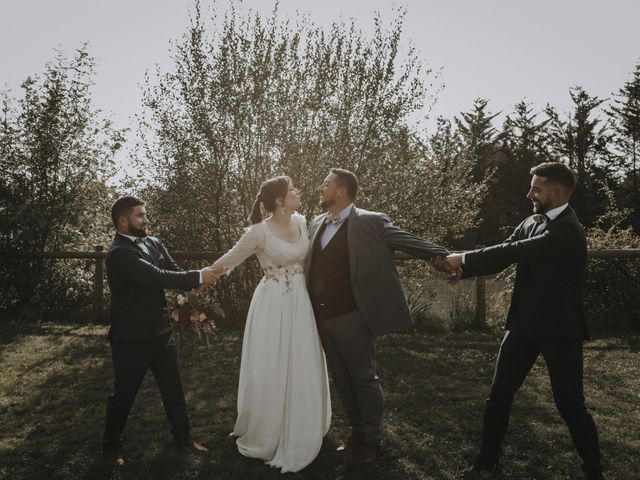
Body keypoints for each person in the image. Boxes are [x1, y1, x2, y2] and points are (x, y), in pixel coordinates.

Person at [444, 162, 604, 480]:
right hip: (523, 326)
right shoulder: (532, 220)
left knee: (569, 403)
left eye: (536, 188)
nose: (529, 192)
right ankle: (487, 460)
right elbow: (505, 248)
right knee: (499, 393)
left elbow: (516, 251)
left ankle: (594, 469)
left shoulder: (568, 230)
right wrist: (465, 269)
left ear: (557, 193)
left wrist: (461, 258)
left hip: (559, 329)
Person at [305, 168, 450, 464]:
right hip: (321, 318)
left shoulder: (371, 221)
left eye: (326, 184)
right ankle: (357, 431)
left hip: (353, 316)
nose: (321, 188)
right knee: (342, 379)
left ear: (342, 190)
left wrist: (442, 256)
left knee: (364, 378)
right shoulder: (317, 222)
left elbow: (406, 240)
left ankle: (373, 440)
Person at [208, 176, 331, 473]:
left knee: (302, 358)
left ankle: (303, 422)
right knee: (273, 361)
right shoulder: (258, 233)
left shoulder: (303, 222)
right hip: (272, 303)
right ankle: (269, 428)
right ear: (279, 200)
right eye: (292, 190)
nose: (298, 191)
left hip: (301, 302)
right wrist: (197, 283)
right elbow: (228, 261)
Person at [102, 195, 217, 466]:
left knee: (173, 389)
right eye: (140, 215)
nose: (146, 220)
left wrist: (194, 289)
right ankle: (110, 447)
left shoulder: (154, 242)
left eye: (145, 214)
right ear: (123, 220)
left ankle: (183, 438)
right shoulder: (118, 252)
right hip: (130, 337)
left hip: (161, 331)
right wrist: (198, 275)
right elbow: (155, 276)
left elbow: (172, 270)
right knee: (124, 394)